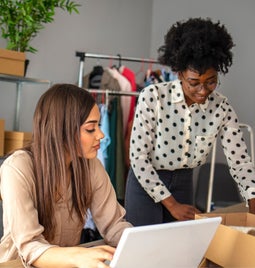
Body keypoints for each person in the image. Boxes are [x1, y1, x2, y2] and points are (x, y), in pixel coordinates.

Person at [125, 17, 255, 226]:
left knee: (179, 250)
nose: (203, 91)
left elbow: (240, 163)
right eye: (194, 82)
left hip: (184, 183)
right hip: (146, 183)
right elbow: (138, 158)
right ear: (179, 73)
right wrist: (171, 204)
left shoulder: (221, 107)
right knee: (143, 249)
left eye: (211, 82)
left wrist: (252, 201)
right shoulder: (153, 96)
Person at [0, 84, 132, 267]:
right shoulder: (17, 168)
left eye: (98, 126)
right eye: (90, 129)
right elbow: (30, 247)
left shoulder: (91, 166)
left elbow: (114, 225)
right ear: (62, 131)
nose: (101, 135)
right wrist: (79, 256)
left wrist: (141, 247)